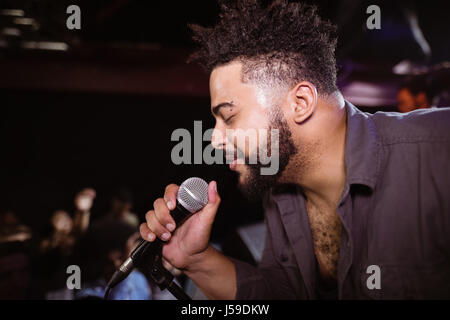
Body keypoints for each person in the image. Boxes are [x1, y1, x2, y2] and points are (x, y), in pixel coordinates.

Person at [139, 0, 450, 299]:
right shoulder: (281, 190)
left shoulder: (438, 151)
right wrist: (196, 259)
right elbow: (286, 292)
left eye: (229, 115)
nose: (215, 139)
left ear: (300, 103)